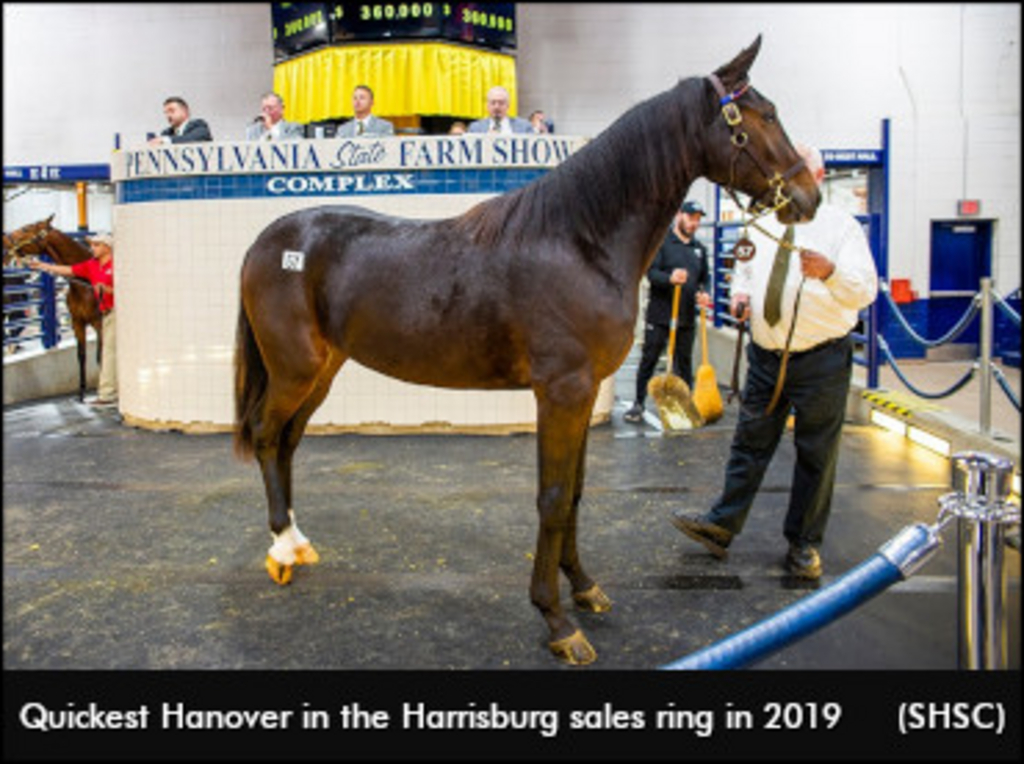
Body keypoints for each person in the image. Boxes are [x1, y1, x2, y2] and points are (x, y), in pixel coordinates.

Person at [669, 144, 879, 580]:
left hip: (821, 359)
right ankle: (722, 526)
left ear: (817, 177)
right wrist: (741, 294)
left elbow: (865, 292)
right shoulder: (763, 222)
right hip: (766, 356)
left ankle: (804, 545)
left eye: (795, 171)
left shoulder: (841, 229)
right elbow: (744, 267)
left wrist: (831, 272)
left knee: (815, 454)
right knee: (749, 443)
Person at [623, 200, 712, 424]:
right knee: (650, 358)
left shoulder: (699, 250)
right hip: (661, 315)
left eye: (698, 219)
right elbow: (651, 273)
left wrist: (704, 293)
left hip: (686, 316)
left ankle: (684, 406)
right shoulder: (662, 244)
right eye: (691, 217)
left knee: (685, 362)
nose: (694, 223)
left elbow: (705, 280)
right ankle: (638, 403)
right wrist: (670, 278)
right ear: (679, 215)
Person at [29, 232, 118, 406]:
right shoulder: (91, 265)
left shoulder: (118, 264)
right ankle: (109, 393)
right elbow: (68, 270)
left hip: (117, 311)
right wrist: (43, 265)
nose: (92, 248)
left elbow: (130, 288)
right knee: (109, 351)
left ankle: (108, 395)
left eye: (97, 245)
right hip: (106, 311)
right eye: (92, 245)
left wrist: (108, 290)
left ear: (107, 247)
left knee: (109, 352)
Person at [467, 86, 534, 134]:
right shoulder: (475, 128)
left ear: (508, 106)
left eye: (501, 103)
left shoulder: (524, 126)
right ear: (487, 106)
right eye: (493, 103)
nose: (497, 107)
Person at [148, 96, 212, 145]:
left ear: (185, 111)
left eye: (172, 111)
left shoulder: (199, 125)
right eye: (166, 113)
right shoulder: (166, 133)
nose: (168, 116)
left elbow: (191, 139)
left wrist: (165, 140)